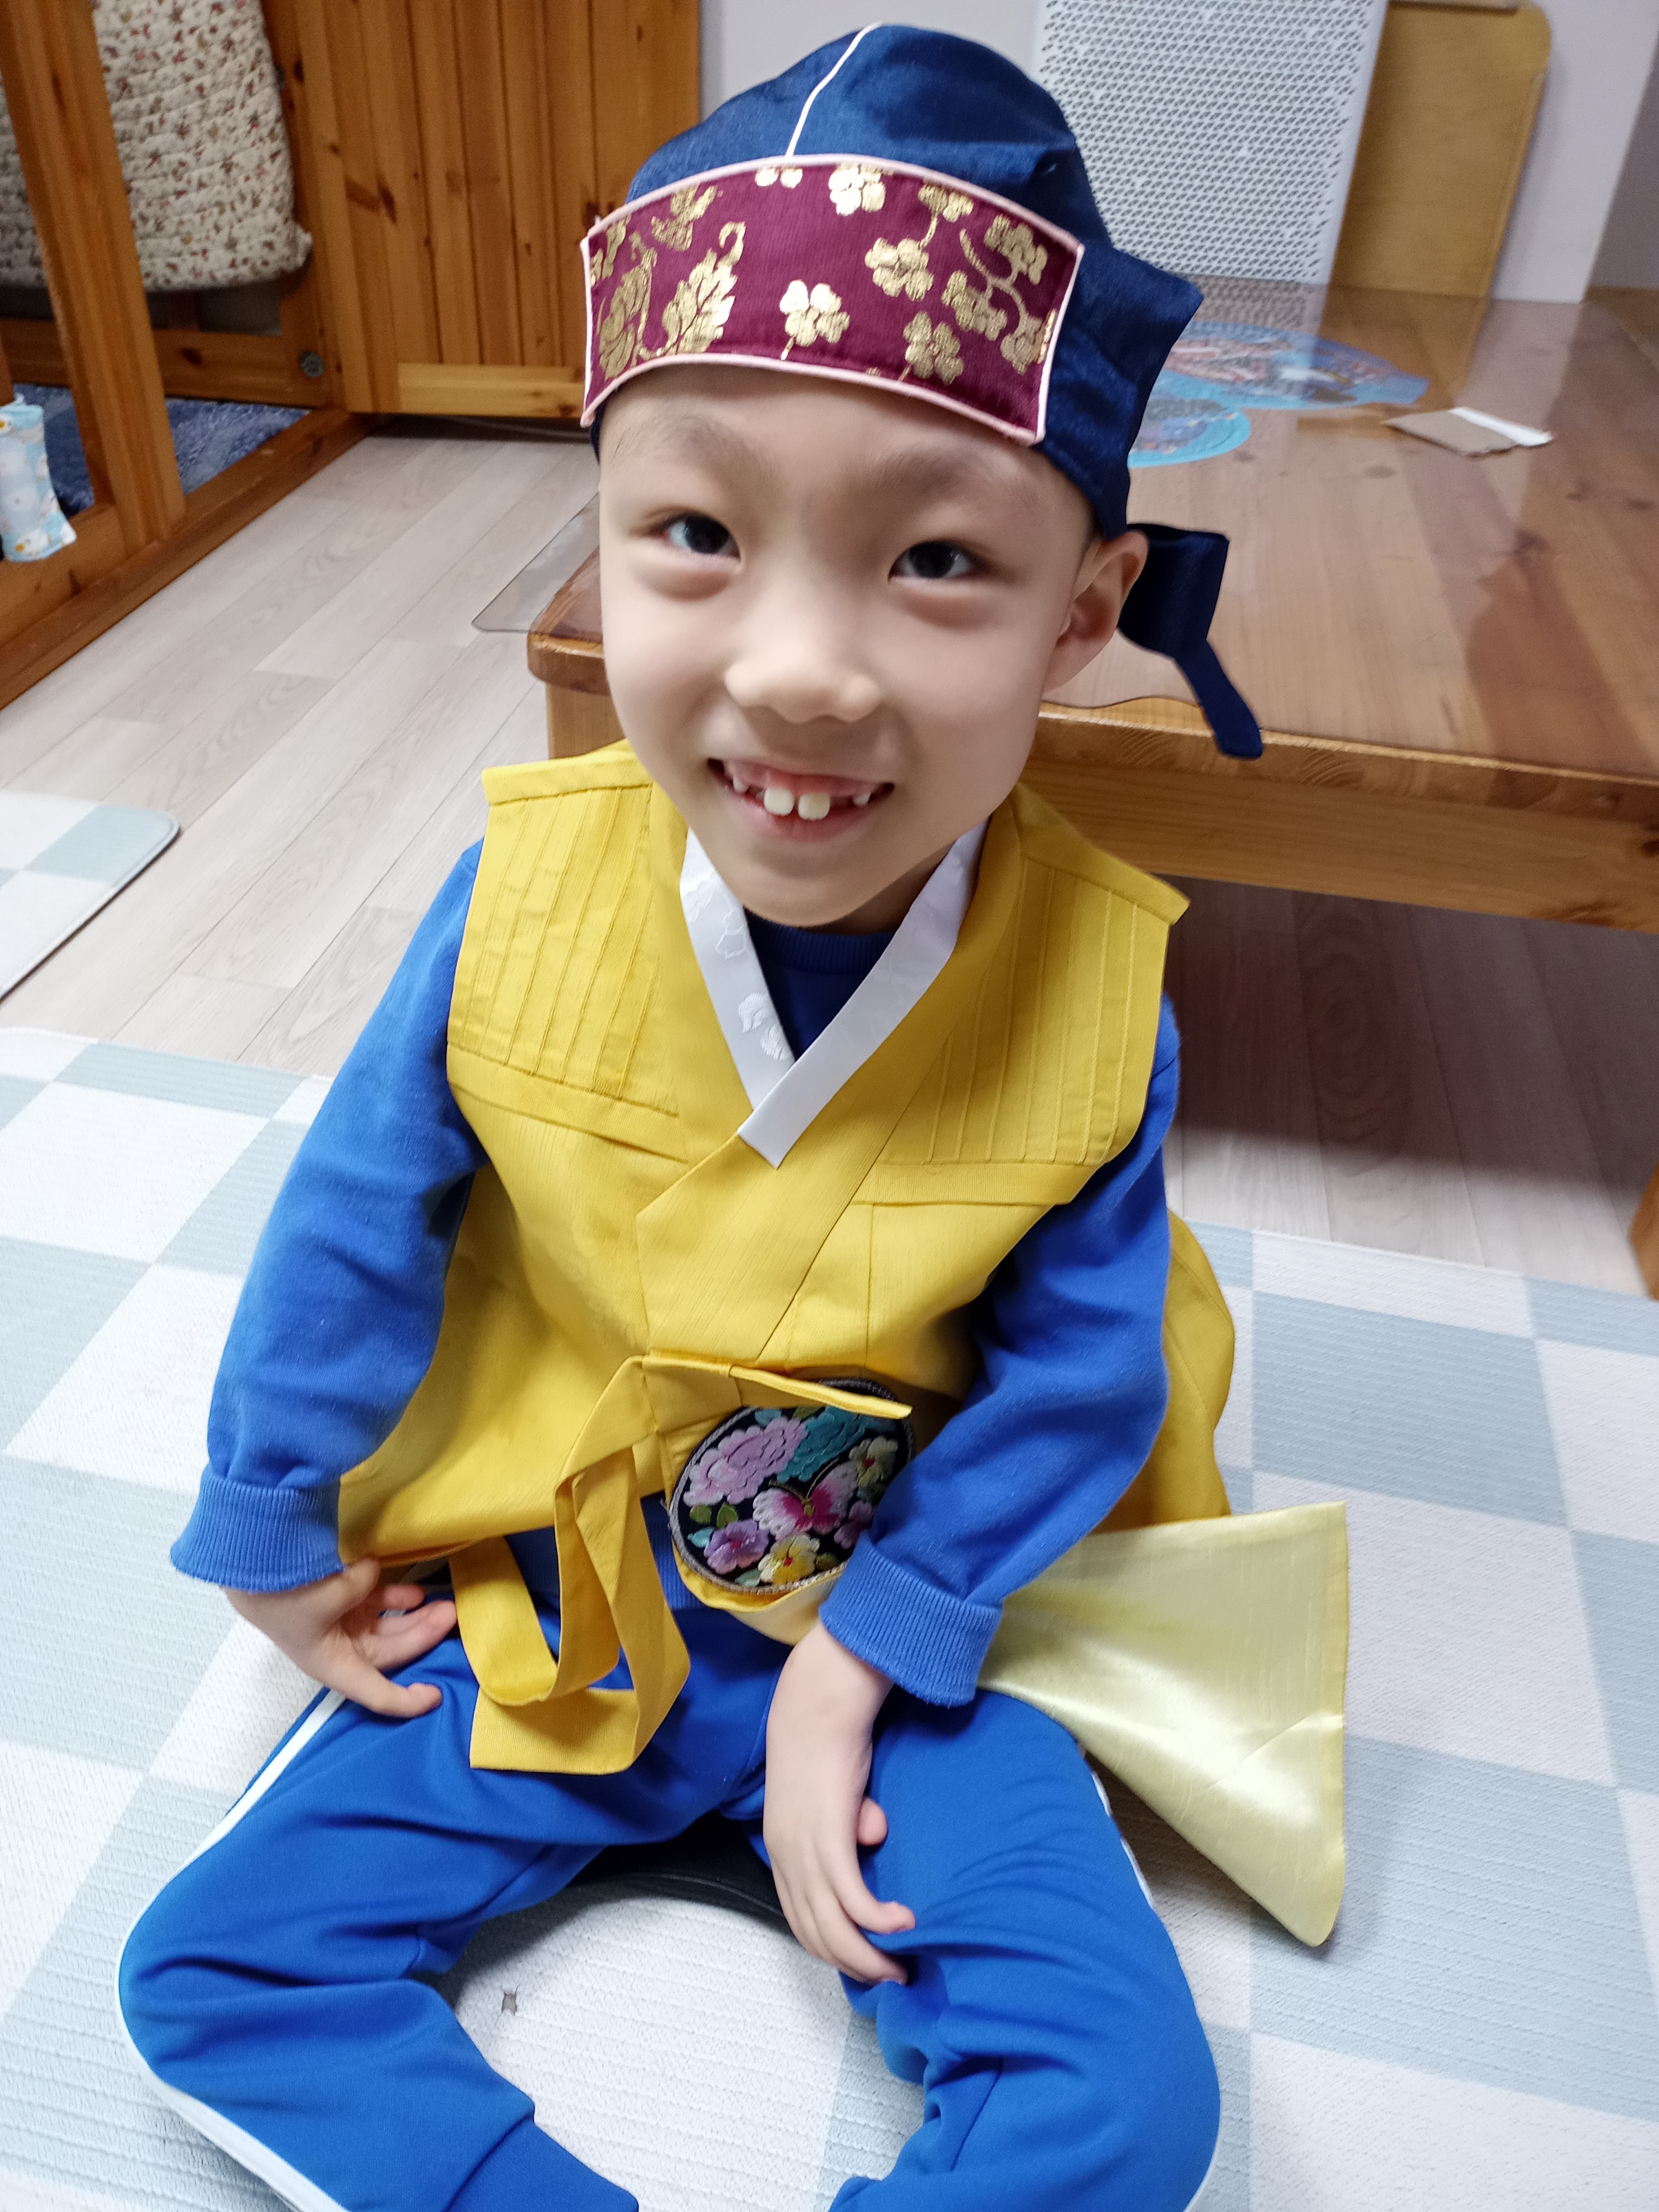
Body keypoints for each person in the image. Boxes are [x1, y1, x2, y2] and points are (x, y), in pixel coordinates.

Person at [119, 27, 1271, 2212]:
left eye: (937, 562)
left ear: (1085, 614)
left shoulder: (1099, 981)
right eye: (696, 535)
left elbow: (1081, 1374)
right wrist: (271, 1520)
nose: (802, 669)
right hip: (559, 1573)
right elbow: (355, 1216)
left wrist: (866, 1661)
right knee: (222, 1970)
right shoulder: (523, 893)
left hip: (903, 1619)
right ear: (594, 537)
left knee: (1124, 2108)